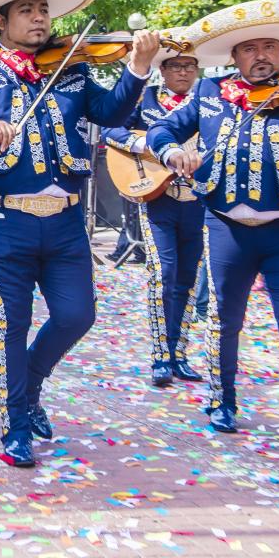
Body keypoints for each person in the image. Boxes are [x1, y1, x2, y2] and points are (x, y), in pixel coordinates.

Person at [0, 0, 157, 467]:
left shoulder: (71, 71)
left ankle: (30, 384)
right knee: (10, 322)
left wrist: (139, 68)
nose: (40, 19)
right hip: (0, 218)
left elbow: (112, 110)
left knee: (77, 315)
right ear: (2, 20)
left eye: (44, 10)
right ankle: (15, 425)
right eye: (27, 10)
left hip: (65, 221)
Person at [148, 0, 279, 455]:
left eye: (271, 47)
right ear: (234, 55)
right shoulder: (208, 93)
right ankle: (222, 401)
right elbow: (161, 130)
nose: (262, 56)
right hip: (226, 227)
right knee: (225, 319)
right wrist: (172, 153)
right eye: (251, 48)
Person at [100, 34, 206, 388]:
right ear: (163, 69)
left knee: (188, 279)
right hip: (158, 197)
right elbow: (110, 129)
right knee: (164, 273)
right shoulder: (145, 100)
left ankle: (180, 352)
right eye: (176, 66)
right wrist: (143, 144)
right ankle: (160, 354)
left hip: (199, 201)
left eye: (189, 66)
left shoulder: (210, 103)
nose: (183, 72)